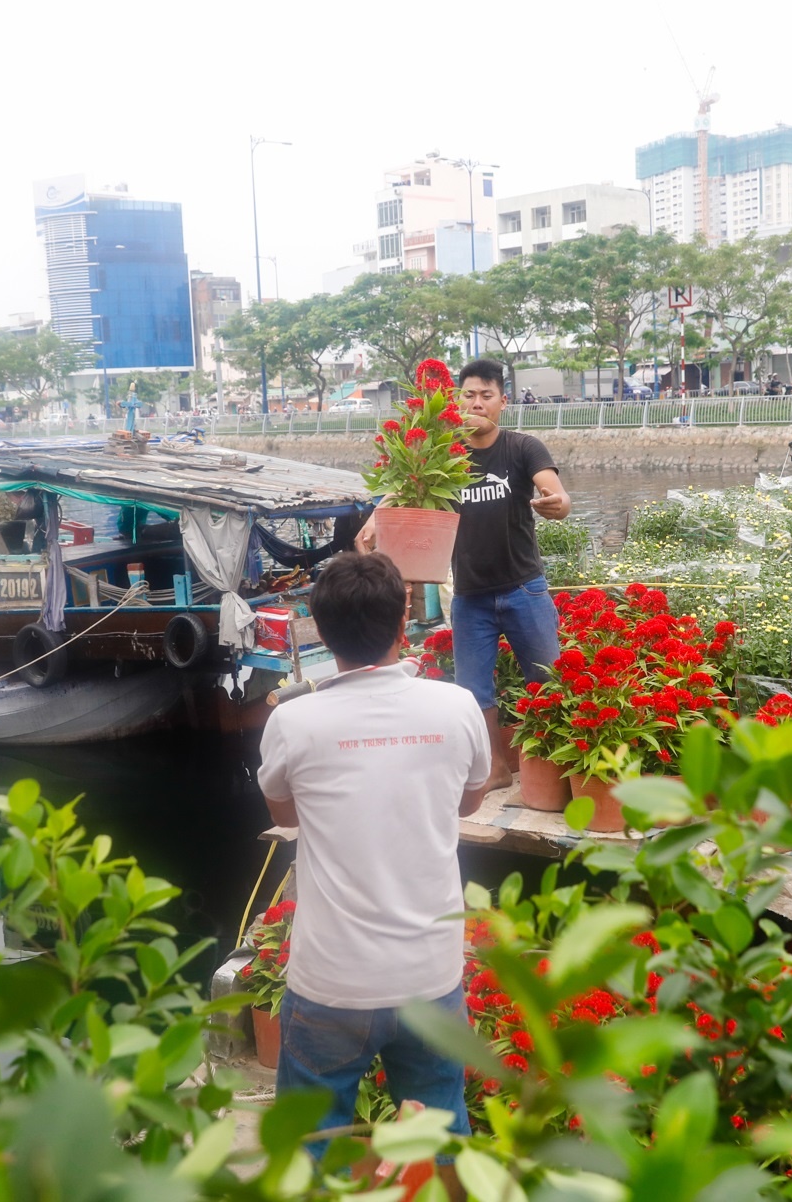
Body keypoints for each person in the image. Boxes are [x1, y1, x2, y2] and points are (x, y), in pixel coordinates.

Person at [256, 551, 489, 1152]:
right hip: (430, 976)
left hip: (332, 981)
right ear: (404, 612)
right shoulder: (457, 706)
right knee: (439, 1134)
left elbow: (285, 814)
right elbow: (468, 804)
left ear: (318, 625)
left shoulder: (293, 720)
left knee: (313, 1143)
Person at [359, 358, 570, 782]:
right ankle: (494, 770)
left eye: (486, 396)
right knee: (473, 693)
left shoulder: (523, 448)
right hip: (470, 595)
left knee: (547, 683)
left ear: (502, 402)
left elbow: (557, 496)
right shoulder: (441, 455)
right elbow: (406, 486)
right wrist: (375, 518)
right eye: (469, 395)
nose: (477, 404)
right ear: (455, 400)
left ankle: (558, 770)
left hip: (523, 588)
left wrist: (556, 503)